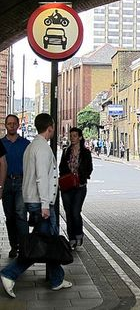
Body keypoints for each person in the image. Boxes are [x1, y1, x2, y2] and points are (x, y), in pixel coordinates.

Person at [1, 113, 72, 298]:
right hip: (41, 203)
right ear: (50, 127)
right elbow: (41, 177)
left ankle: (56, 279)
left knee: (49, 241)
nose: (54, 128)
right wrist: (45, 205)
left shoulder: (31, 146)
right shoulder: (41, 148)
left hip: (35, 200)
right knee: (39, 244)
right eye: (54, 126)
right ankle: (9, 273)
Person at [0, 115, 31, 258]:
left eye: (14, 123)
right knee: (10, 216)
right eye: (9, 124)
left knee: (20, 214)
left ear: (18, 125)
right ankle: (14, 246)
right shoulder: (1, 143)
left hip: (21, 181)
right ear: (5, 125)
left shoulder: (25, 144)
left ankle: (25, 247)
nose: (11, 126)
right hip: (5, 182)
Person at [59, 127, 93, 250]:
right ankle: (71, 238)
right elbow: (61, 167)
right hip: (67, 187)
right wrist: (66, 176)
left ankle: (79, 234)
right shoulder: (66, 151)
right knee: (68, 213)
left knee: (75, 211)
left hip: (80, 186)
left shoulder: (85, 153)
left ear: (79, 137)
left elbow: (89, 168)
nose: (72, 138)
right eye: (71, 135)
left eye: (74, 135)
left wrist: (81, 176)